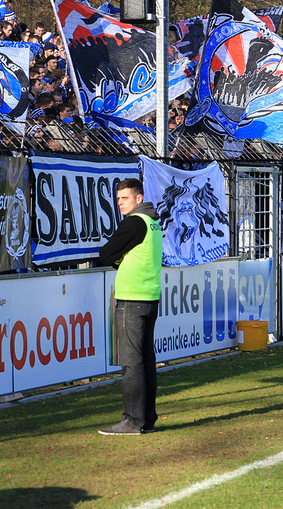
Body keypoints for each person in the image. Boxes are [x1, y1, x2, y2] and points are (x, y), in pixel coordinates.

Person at [97, 177, 163, 435]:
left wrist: (118, 259)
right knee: (146, 361)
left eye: (125, 198)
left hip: (132, 299)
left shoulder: (135, 222)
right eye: (118, 199)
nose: (120, 203)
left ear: (138, 198)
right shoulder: (152, 221)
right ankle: (146, 419)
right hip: (149, 297)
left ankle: (133, 421)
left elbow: (105, 253)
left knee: (131, 363)